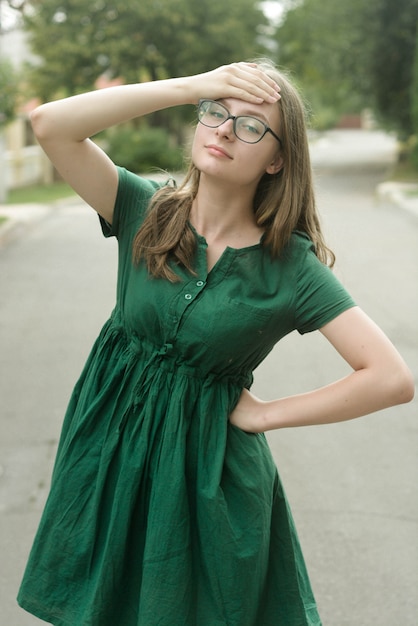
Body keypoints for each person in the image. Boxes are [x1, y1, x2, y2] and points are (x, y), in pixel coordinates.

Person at [17, 60, 414, 626]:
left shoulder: (289, 267)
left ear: (278, 159)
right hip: (109, 460)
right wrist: (193, 86)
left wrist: (267, 414)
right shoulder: (143, 210)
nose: (225, 129)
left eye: (251, 126)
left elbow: (390, 377)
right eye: (216, 114)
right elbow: (52, 124)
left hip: (207, 488)